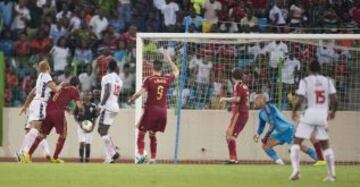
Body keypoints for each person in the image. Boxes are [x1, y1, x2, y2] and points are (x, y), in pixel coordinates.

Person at [289, 61, 338, 181]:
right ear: (320, 69)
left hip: (309, 113)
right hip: (322, 114)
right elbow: (335, 99)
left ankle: (296, 170)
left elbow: (300, 99)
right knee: (326, 145)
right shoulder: (327, 81)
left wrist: (294, 111)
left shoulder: (305, 81)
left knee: (296, 142)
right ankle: (331, 174)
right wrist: (333, 112)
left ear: (308, 69)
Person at [128, 53, 179, 164]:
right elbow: (177, 71)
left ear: (152, 67)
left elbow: (139, 93)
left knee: (141, 133)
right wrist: (169, 59)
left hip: (151, 110)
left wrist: (131, 99)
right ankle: (153, 159)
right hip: (163, 111)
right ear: (162, 68)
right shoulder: (166, 78)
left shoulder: (149, 79)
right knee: (152, 134)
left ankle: (141, 156)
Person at [25, 77, 83, 163]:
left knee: (42, 135)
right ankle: (55, 157)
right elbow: (79, 106)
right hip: (58, 113)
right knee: (63, 134)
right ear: (77, 85)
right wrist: (81, 110)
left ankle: (28, 155)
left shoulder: (61, 87)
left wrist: (66, 106)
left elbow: (55, 97)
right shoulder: (74, 90)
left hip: (48, 110)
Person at [253, 94, 319, 165]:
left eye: (256, 100)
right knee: (265, 146)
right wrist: (258, 134)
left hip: (288, 130)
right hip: (279, 133)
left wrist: (266, 137)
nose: (255, 102)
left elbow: (273, 124)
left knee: (302, 147)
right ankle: (280, 164)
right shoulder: (261, 114)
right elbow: (261, 126)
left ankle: (320, 159)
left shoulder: (270, 108)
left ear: (261, 100)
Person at [18, 61, 63, 162]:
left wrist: (25, 106)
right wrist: (62, 85)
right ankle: (22, 152)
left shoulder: (40, 77)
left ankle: (25, 152)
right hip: (40, 104)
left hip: (34, 103)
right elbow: (56, 89)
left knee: (33, 130)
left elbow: (31, 93)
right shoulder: (47, 76)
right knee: (37, 129)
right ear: (48, 67)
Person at [219, 68, 249, 164]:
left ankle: (233, 159)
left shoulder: (237, 85)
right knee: (228, 134)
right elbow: (243, 101)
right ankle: (234, 158)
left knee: (230, 135)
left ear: (233, 77)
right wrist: (232, 107)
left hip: (239, 114)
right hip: (241, 113)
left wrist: (224, 99)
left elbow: (237, 99)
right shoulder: (244, 86)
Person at [98, 59, 123, 163]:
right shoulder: (119, 80)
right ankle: (111, 155)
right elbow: (112, 92)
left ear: (107, 67)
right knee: (104, 131)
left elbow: (108, 91)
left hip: (107, 106)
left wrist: (101, 104)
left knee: (101, 131)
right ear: (116, 68)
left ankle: (111, 154)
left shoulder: (106, 77)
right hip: (115, 106)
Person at [74, 91, 98, 163]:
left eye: (90, 95)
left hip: (90, 128)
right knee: (82, 143)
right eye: (86, 95)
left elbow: (95, 117)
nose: (88, 96)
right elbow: (75, 115)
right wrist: (79, 123)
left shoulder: (93, 106)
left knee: (88, 144)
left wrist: (93, 127)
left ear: (91, 96)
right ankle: (81, 160)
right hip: (81, 127)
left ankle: (87, 160)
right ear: (83, 96)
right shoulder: (79, 105)